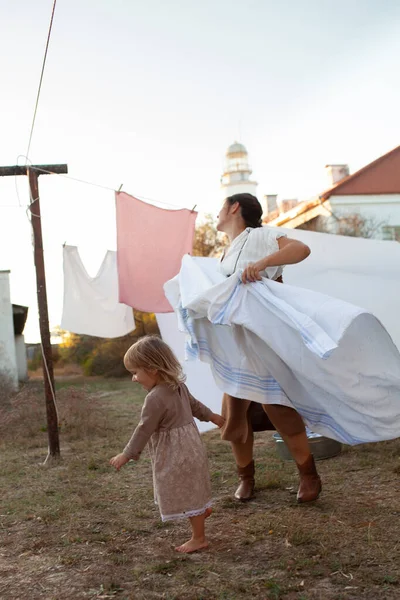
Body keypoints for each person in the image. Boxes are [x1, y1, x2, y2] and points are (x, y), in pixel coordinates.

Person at [216, 193, 321, 503]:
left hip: (264, 337)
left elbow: (301, 249)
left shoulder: (260, 236)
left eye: (221, 206)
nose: (217, 213)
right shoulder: (225, 253)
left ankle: (308, 474)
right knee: (235, 414)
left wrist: (261, 264)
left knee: (277, 405)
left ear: (235, 207)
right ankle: (246, 478)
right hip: (236, 342)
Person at [109, 335, 225, 553]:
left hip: (175, 452)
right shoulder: (178, 386)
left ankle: (198, 535)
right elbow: (196, 406)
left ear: (152, 369)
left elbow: (144, 429)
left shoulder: (154, 398)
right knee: (191, 485)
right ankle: (199, 510)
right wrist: (212, 417)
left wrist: (127, 454)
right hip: (192, 446)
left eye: (135, 372)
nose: (134, 379)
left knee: (178, 488)